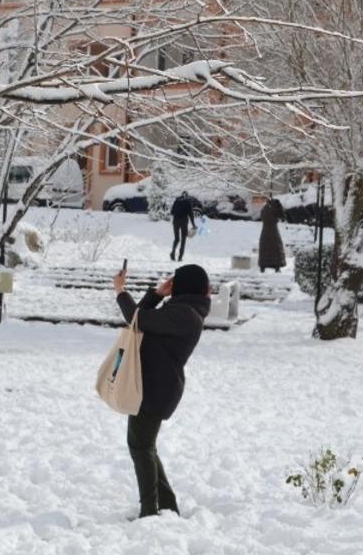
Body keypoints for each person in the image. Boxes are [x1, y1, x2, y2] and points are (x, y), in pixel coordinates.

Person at [112, 263, 211, 519]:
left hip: (157, 389)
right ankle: (166, 507)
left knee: (140, 447)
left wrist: (120, 290)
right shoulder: (183, 310)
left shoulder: (185, 315)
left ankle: (150, 512)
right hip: (154, 386)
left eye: (175, 281)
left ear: (183, 286)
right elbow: (139, 322)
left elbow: (135, 317)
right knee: (145, 446)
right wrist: (157, 295)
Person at [258, 197, 286, 273]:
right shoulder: (275, 207)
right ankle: (277, 266)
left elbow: (262, 216)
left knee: (265, 249)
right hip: (273, 231)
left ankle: (263, 266)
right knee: (276, 248)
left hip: (265, 231)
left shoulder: (265, 208)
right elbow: (282, 215)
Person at [169, 192, 197, 261]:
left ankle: (172, 253)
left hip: (175, 222)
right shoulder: (188, 202)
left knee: (177, 239)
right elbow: (191, 214)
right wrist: (193, 224)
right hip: (184, 222)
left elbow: (172, 212)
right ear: (187, 196)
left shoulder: (176, 201)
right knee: (183, 240)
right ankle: (180, 257)